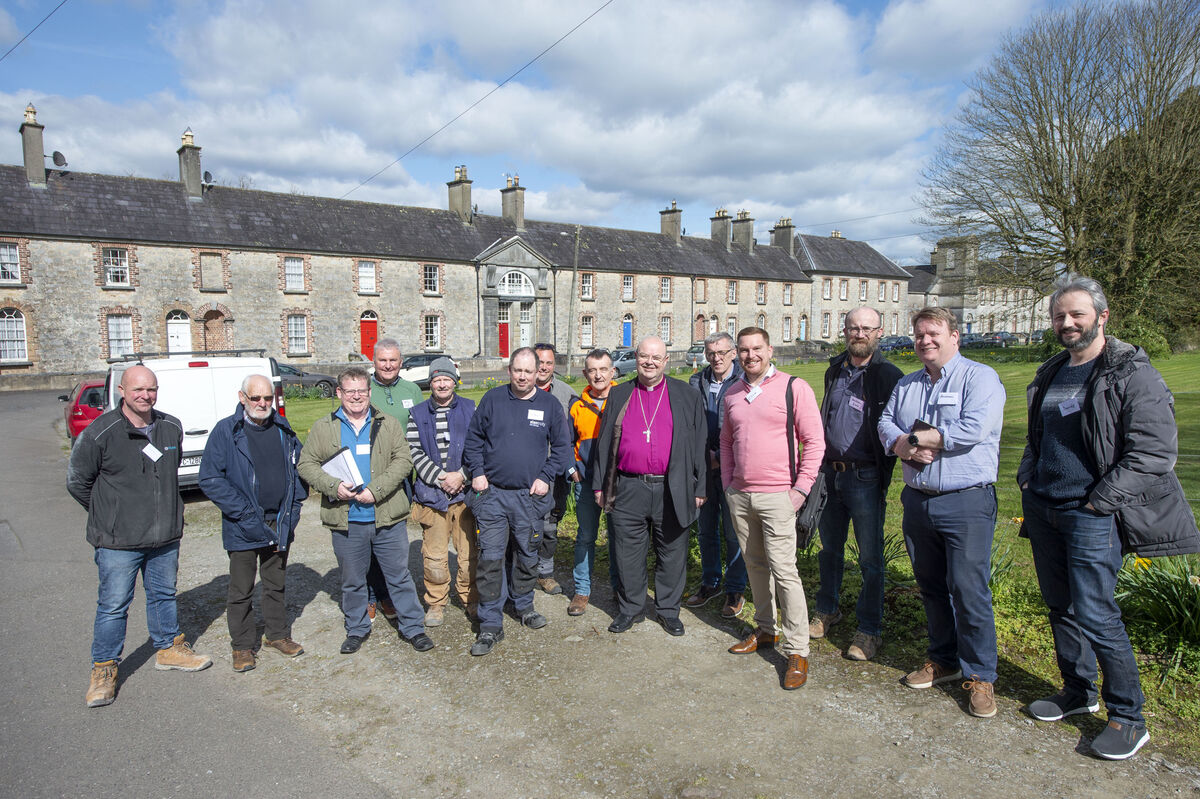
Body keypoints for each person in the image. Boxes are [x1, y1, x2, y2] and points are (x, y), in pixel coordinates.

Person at [1017, 275, 1200, 760]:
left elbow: (1154, 453)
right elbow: (1038, 439)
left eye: (1076, 313)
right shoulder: (1053, 370)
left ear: (1102, 315)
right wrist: (1028, 480)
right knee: (1061, 607)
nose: (1067, 323)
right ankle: (1078, 693)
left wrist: (1100, 501)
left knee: (1098, 614)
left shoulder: (1130, 372)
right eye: (1059, 315)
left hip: (1092, 514)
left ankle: (1128, 717)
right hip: (1046, 508)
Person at [878, 307, 1005, 719]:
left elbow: (975, 427)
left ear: (955, 336)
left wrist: (920, 436)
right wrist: (899, 442)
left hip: (965, 501)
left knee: (969, 591)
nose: (925, 341)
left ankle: (981, 675)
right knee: (931, 586)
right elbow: (884, 421)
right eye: (919, 335)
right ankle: (943, 659)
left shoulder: (979, 377)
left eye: (933, 333)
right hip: (918, 501)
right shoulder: (908, 384)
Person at [68, 365, 212, 708]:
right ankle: (103, 669)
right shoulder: (101, 433)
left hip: (163, 537)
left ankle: (169, 648)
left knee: (163, 594)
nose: (145, 396)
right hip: (118, 541)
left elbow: (167, 475)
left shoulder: (170, 426)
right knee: (114, 606)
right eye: (137, 390)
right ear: (122, 391)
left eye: (151, 389)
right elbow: (77, 481)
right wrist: (110, 515)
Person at [297, 367, 433, 655]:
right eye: (350, 391)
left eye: (361, 390)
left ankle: (414, 628)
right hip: (347, 519)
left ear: (369, 393)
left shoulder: (387, 424)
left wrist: (376, 490)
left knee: (398, 575)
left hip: (386, 516)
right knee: (352, 579)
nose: (356, 396)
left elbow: (403, 460)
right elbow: (306, 465)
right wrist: (333, 486)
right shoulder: (325, 427)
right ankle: (357, 628)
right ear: (339, 393)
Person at [721, 328, 825, 690]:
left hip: (779, 495)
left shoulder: (794, 387)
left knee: (785, 571)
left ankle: (797, 651)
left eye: (757, 349)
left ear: (770, 350)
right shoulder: (733, 393)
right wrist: (728, 485)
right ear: (738, 353)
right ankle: (766, 630)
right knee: (755, 566)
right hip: (741, 495)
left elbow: (814, 442)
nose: (751, 356)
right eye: (744, 350)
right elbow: (727, 442)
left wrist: (800, 490)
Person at [592, 336, 706, 637]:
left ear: (666, 361)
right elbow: (604, 444)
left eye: (656, 357)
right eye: (644, 356)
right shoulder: (620, 395)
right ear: (636, 357)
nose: (649, 362)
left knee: (672, 552)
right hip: (629, 487)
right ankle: (631, 609)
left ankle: (668, 611)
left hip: (673, 487)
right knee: (627, 554)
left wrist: (700, 488)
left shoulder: (686, 395)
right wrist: (599, 486)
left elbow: (699, 446)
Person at [462, 348, 573, 656]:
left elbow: (563, 448)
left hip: (529, 497)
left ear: (538, 372)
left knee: (527, 554)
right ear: (508, 370)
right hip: (493, 495)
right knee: (491, 559)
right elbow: (473, 441)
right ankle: (490, 625)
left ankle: (524, 606)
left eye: (528, 371)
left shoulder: (549, 405)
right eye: (517, 370)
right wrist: (479, 473)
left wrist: (546, 476)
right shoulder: (492, 400)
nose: (523, 376)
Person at [809, 308, 902, 661]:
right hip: (831, 474)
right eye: (853, 328)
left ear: (879, 332)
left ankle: (869, 629)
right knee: (829, 550)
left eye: (866, 328)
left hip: (865, 476)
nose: (858, 333)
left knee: (870, 558)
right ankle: (827, 609)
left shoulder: (888, 375)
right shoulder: (835, 369)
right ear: (844, 331)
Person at [199, 374, 308, 672]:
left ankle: (277, 635)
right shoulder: (226, 431)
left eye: (267, 398)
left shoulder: (283, 430)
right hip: (243, 526)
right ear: (242, 397)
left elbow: (300, 472)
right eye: (255, 398)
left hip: (279, 523)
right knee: (241, 590)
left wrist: (294, 509)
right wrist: (245, 513)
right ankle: (243, 646)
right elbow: (209, 478)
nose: (262, 403)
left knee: (275, 585)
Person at [405, 357, 479, 627]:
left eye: (447, 379)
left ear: (454, 381)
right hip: (431, 496)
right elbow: (414, 451)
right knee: (434, 555)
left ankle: (471, 599)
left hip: (464, 495)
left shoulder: (471, 409)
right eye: (437, 380)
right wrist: (440, 477)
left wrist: (461, 476)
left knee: (469, 553)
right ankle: (436, 603)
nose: (442, 384)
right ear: (430, 383)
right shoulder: (417, 413)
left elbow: (479, 447)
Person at [686, 331, 748, 619]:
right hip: (703, 470)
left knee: (734, 531)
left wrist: (720, 458)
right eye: (711, 353)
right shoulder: (696, 381)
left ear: (733, 353)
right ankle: (710, 582)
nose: (716, 358)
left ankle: (735, 588)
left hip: (733, 469)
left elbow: (747, 431)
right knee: (706, 529)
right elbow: (689, 425)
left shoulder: (744, 382)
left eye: (722, 352)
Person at [364, 339, 424, 622]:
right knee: (369, 535)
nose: (388, 365)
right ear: (373, 361)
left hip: (403, 472)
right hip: (371, 473)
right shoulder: (365, 389)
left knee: (393, 535)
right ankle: (373, 595)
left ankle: (389, 591)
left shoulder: (411, 389)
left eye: (393, 360)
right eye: (382, 360)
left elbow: (422, 426)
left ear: (401, 362)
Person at [565, 348, 618, 616]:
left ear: (612, 372)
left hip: (617, 483)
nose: (598, 375)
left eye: (603, 369)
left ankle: (620, 589)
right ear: (585, 373)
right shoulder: (577, 406)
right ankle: (582, 590)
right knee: (586, 536)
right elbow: (565, 443)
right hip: (585, 482)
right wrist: (571, 469)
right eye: (592, 370)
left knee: (618, 538)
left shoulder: (624, 399)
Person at [533, 342, 580, 595]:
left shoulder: (567, 394)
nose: (543, 367)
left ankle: (545, 573)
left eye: (549, 363)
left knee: (551, 524)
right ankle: (522, 571)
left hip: (557, 473)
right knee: (523, 523)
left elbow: (577, 434)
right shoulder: (519, 389)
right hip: (526, 470)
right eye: (539, 361)